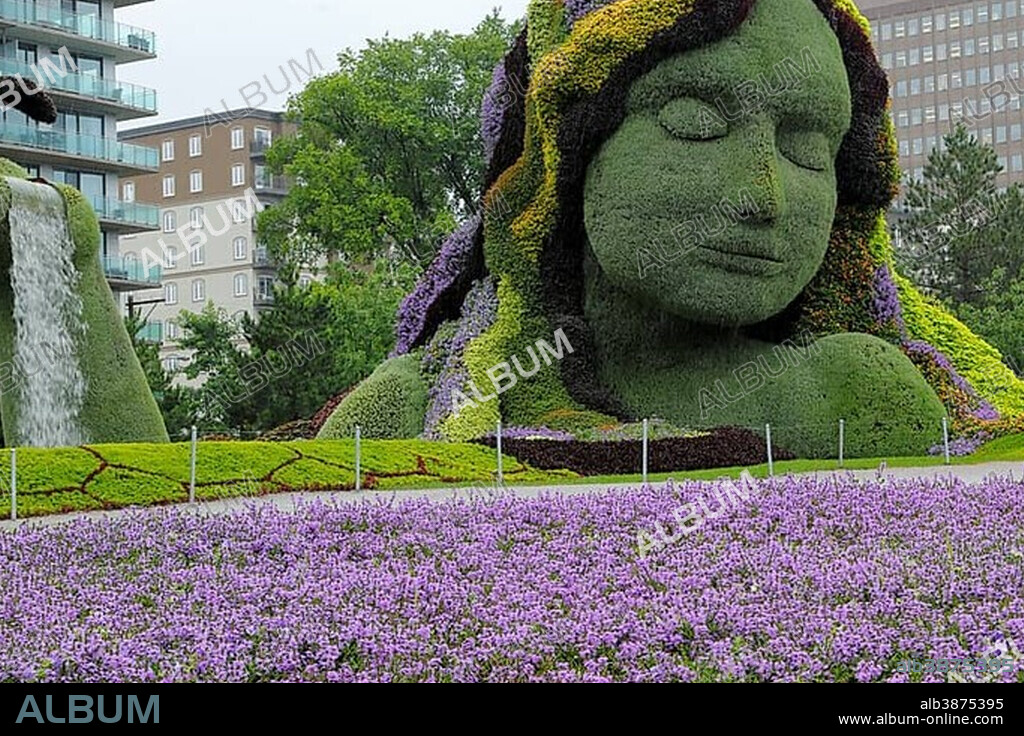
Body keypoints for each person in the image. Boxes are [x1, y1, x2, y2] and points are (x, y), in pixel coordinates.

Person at [319, 0, 1022, 459]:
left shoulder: (857, 393)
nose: (764, 196)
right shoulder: (413, 409)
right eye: (696, 123)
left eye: (808, 148)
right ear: (566, 158)